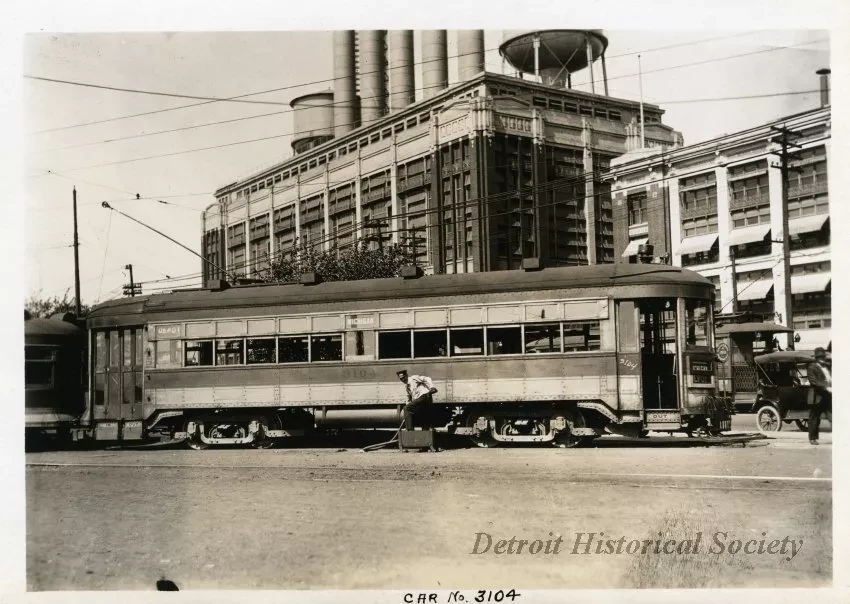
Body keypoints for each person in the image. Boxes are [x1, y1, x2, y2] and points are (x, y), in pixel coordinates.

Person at [806, 347, 832, 445]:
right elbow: (814, 381)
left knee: (832, 416)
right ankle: (812, 438)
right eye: (819, 357)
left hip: (827, 396)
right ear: (816, 358)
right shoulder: (812, 367)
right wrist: (826, 387)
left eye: (823, 357)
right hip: (816, 397)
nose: (822, 359)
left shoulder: (826, 367)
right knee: (814, 418)